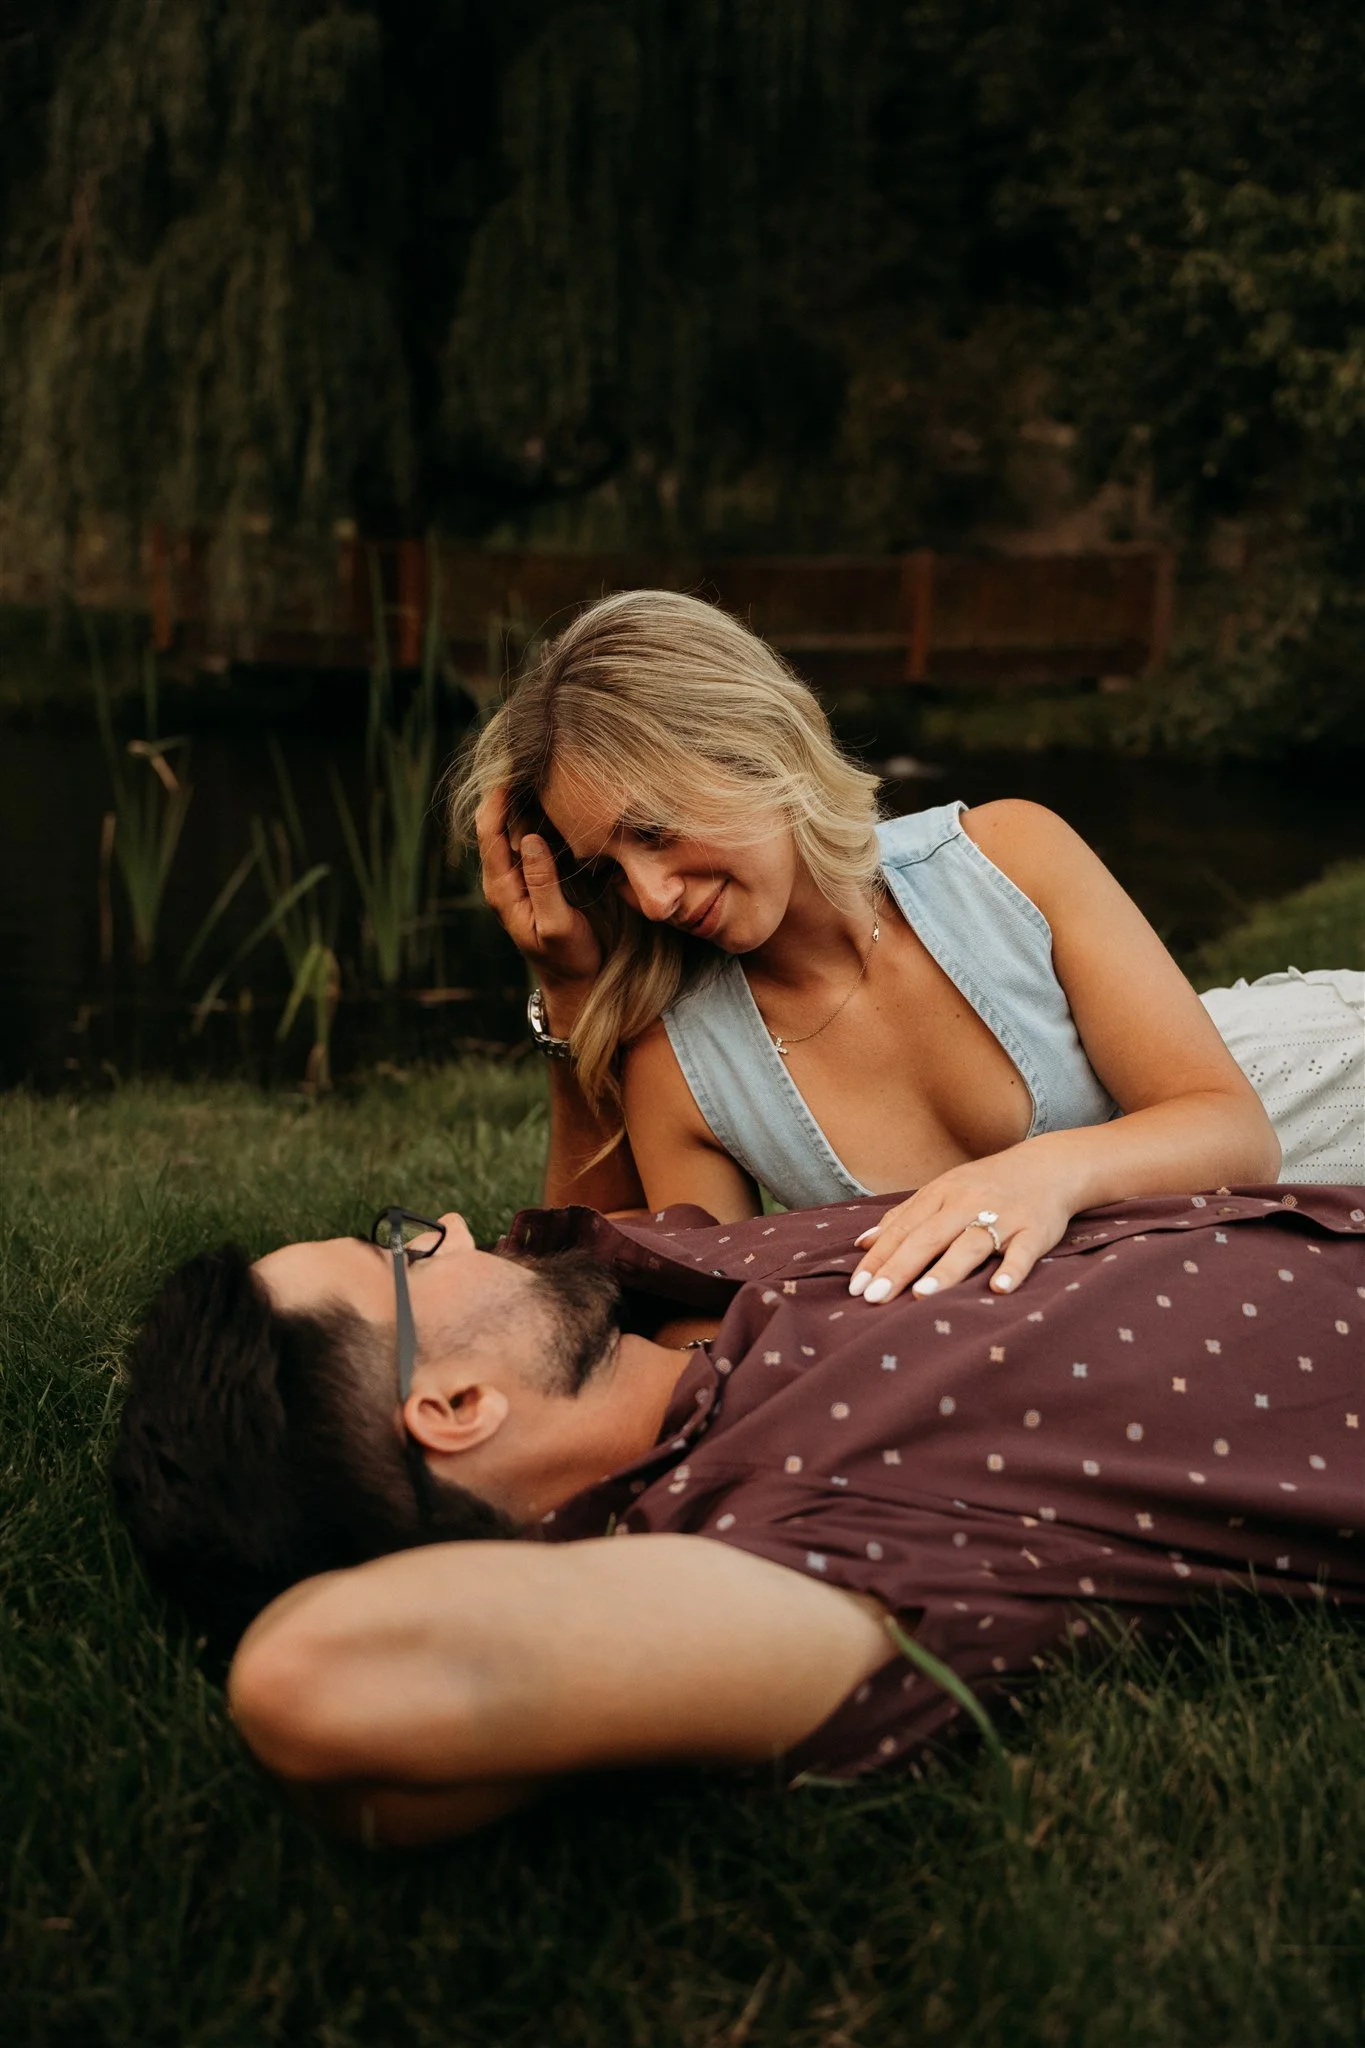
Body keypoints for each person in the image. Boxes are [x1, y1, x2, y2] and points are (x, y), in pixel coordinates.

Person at [113, 1182, 1365, 1846]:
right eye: (404, 1251)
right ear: (450, 1403)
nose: (446, 1221)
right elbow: (318, 1681)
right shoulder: (796, 1526)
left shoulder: (661, 1286)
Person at [451, 589, 1365, 1304]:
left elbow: (1231, 1130)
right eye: (607, 870)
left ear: (751, 744)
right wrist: (566, 991)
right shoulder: (686, 1065)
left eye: (651, 830)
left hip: (1323, 1096)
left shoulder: (1008, 858)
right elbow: (679, 1312)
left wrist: (1041, 1174)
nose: (647, 896)